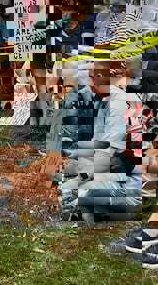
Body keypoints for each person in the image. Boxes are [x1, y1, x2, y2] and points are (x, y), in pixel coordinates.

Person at [54, 59, 144, 223]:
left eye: (91, 77)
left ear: (100, 76)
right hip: (112, 172)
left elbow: (109, 157)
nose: (88, 83)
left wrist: (77, 177)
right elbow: (97, 148)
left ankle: (103, 219)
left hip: (129, 184)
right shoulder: (105, 101)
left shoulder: (119, 103)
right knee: (66, 187)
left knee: (82, 193)